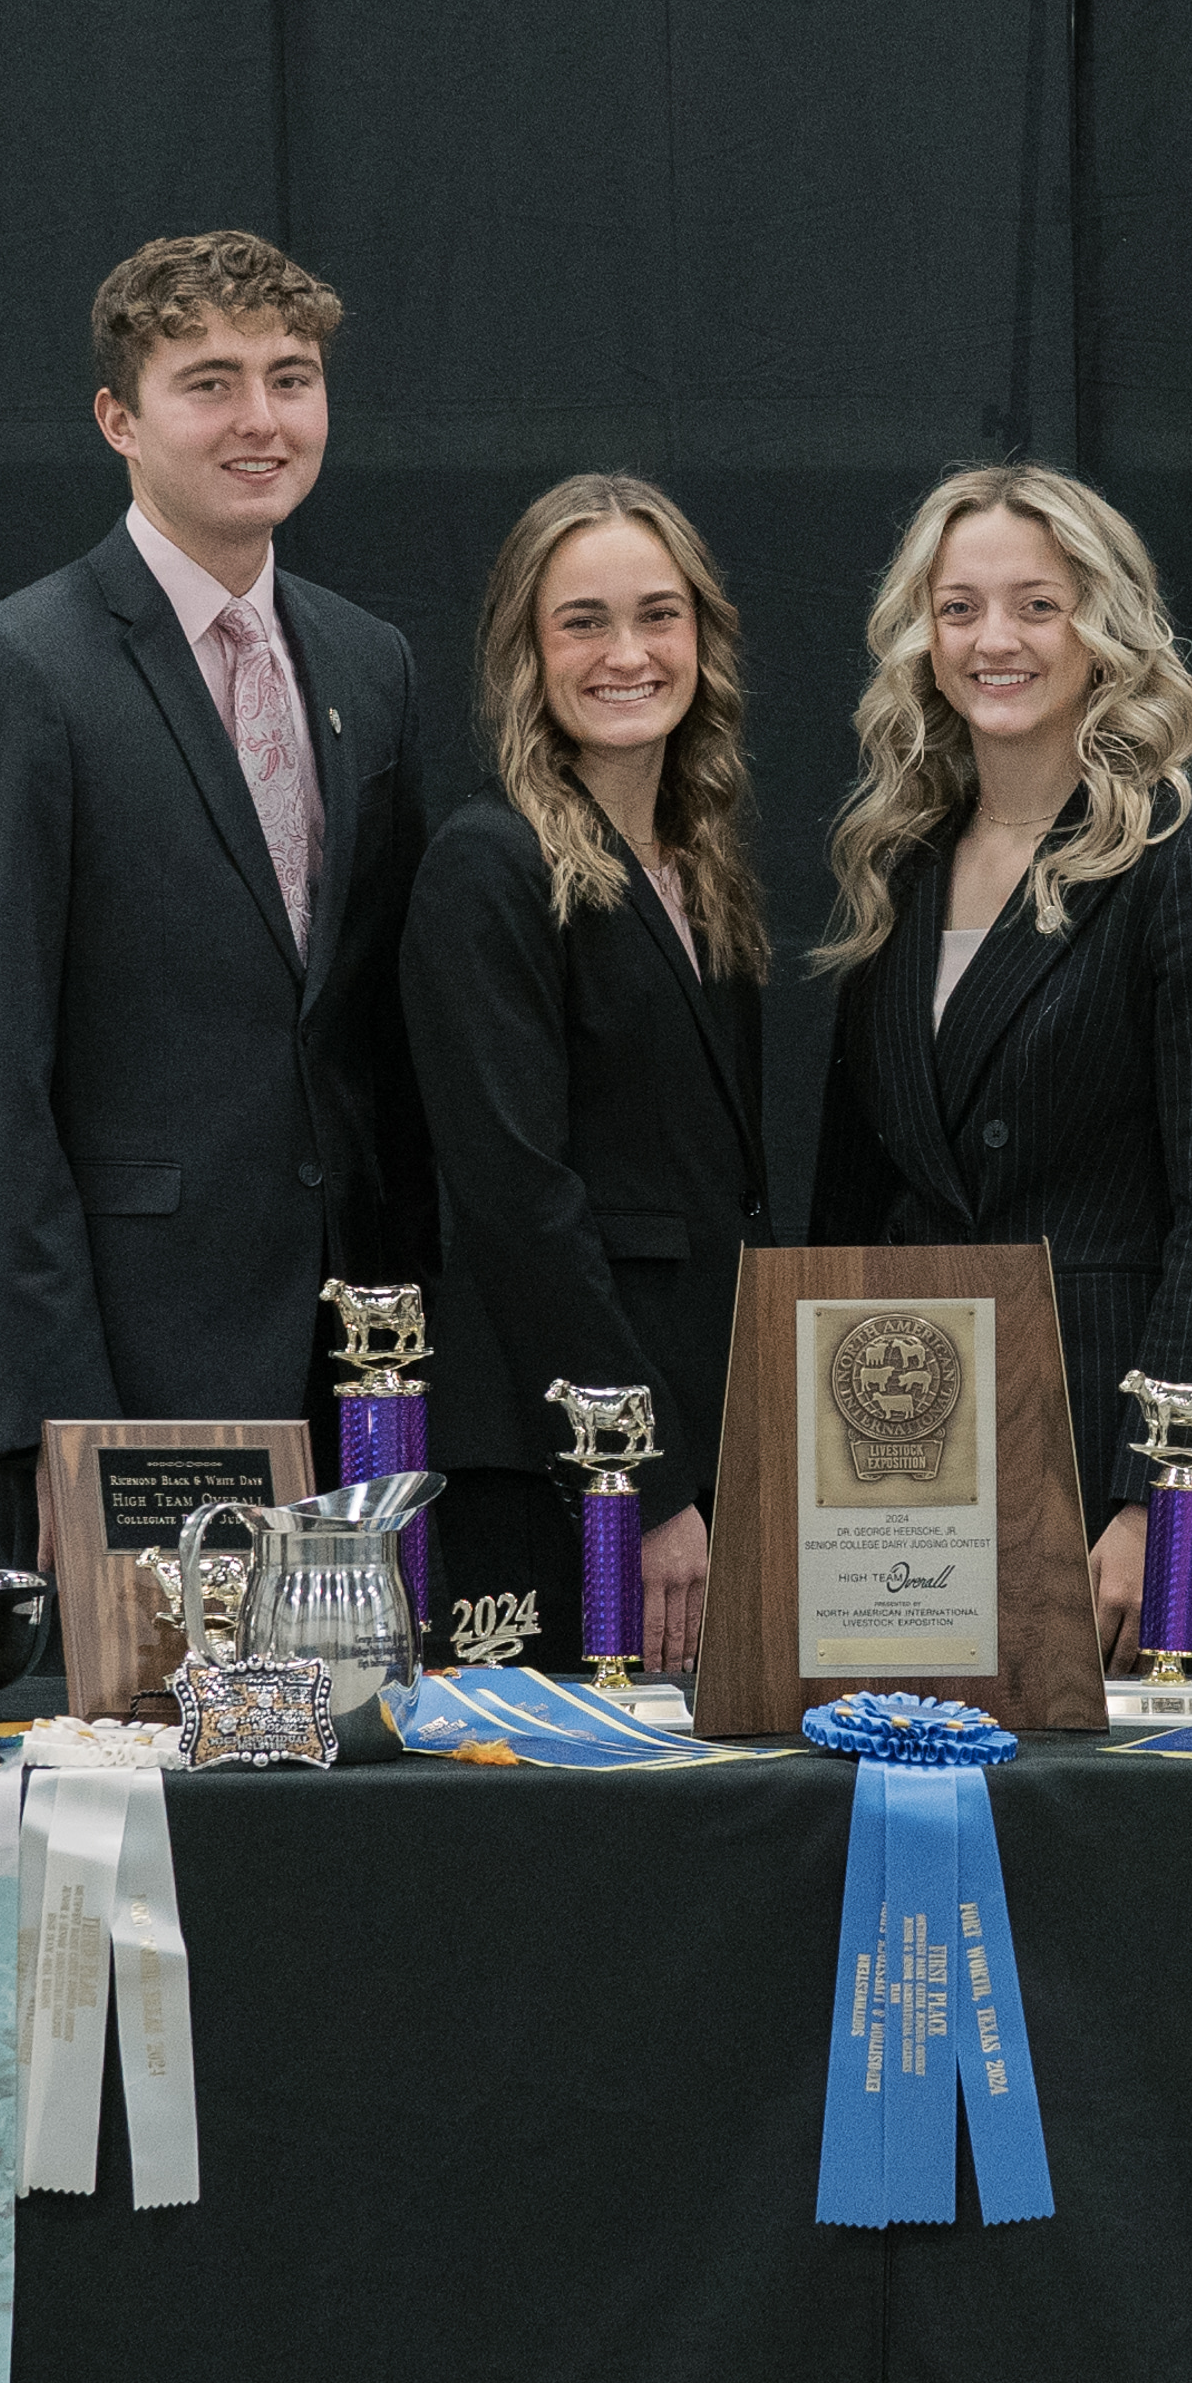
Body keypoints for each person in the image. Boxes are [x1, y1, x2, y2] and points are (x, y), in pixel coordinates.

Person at [0, 231, 430, 1543]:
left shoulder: (370, 667)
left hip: (358, 1374)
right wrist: (56, 1415)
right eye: (210, 382)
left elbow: (369, 1032)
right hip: (136, 1373)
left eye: (292, 377)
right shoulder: (19, 670)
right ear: (118, 420)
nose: (262, 419)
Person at [810, 465, 1192, 1666]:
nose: (995, 640)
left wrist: (1156, 1496)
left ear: (1105, 627)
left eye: (1038, 603)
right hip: (908, 1466)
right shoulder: (898, 861)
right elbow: (852, 1212)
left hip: (1107, 1470)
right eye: (959, 607)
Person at [400, 475, 772, 1671]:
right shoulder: (489, 863)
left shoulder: (699, 868)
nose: (629, 653)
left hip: (702, 1436)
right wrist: (641, 1479)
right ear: (528, 651)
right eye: (584, 622)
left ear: (703, 638)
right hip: (563, 1458)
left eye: (659, 615)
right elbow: (519, 1203)